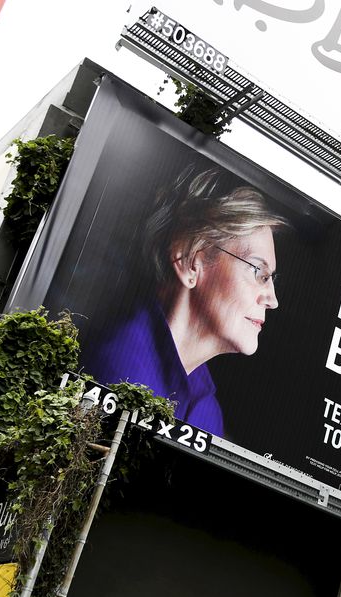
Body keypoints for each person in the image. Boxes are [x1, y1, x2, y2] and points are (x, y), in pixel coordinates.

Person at [83, 165, 286, 437]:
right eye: (257, 271)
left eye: (271, 277)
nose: (272, 299)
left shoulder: (207, 407)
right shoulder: (117, 367)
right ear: (190, 261)